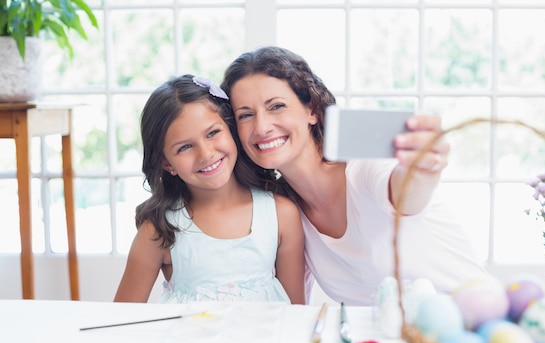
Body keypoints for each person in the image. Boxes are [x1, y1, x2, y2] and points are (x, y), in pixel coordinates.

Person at [221, 46, 495, 306]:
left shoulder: (364, 168)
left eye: (276, 106)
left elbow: (406, 193)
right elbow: (293, 305)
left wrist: (423, 167)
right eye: (245, 115)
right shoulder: (282, 211)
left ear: (312, 110)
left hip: (479, 334)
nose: (262, 126)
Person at [114, 74, 305, 304]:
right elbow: (122, 318)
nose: (206, 154)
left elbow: (297, 315)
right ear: (167, 164)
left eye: (213, 133)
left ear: (231, 130)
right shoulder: (159, 229)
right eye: (185, 147)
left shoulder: (281, 215)